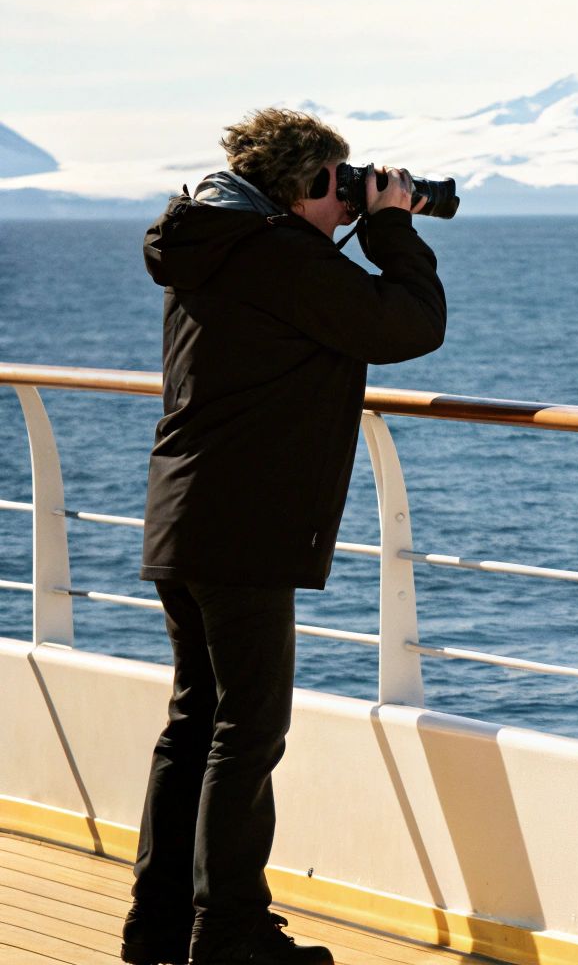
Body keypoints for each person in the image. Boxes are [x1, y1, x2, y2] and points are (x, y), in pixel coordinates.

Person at [123, 108, 446, 965]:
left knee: (197, 720)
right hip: (244, 524)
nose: (345, 199)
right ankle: (227, 931)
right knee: (248, 730)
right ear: (300, 186)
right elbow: (408, 326)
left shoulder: (217, 244)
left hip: (189, 515)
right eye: (337, 184)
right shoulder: (274, 254)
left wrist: (362, 226)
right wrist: (391, 232)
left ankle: (156, 926)